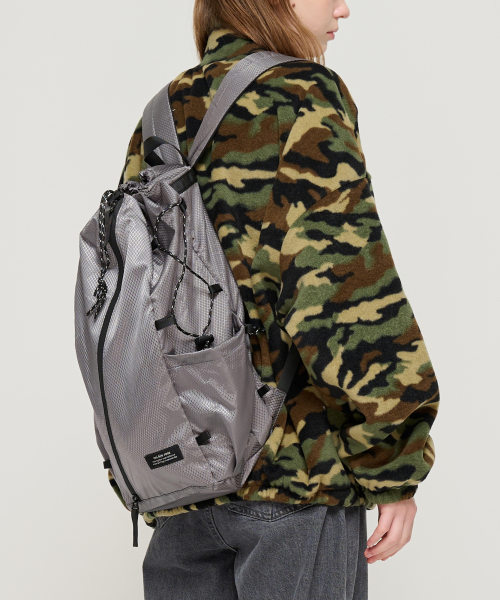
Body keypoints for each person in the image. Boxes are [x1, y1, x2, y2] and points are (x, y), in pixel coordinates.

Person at [110, 1, 440, 598]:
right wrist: (393, 460)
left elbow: (132, 301)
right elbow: (340, 293)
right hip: (293, 477)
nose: (343, 7)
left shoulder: (163, 111)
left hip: (182, 479)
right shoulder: (302, 96)